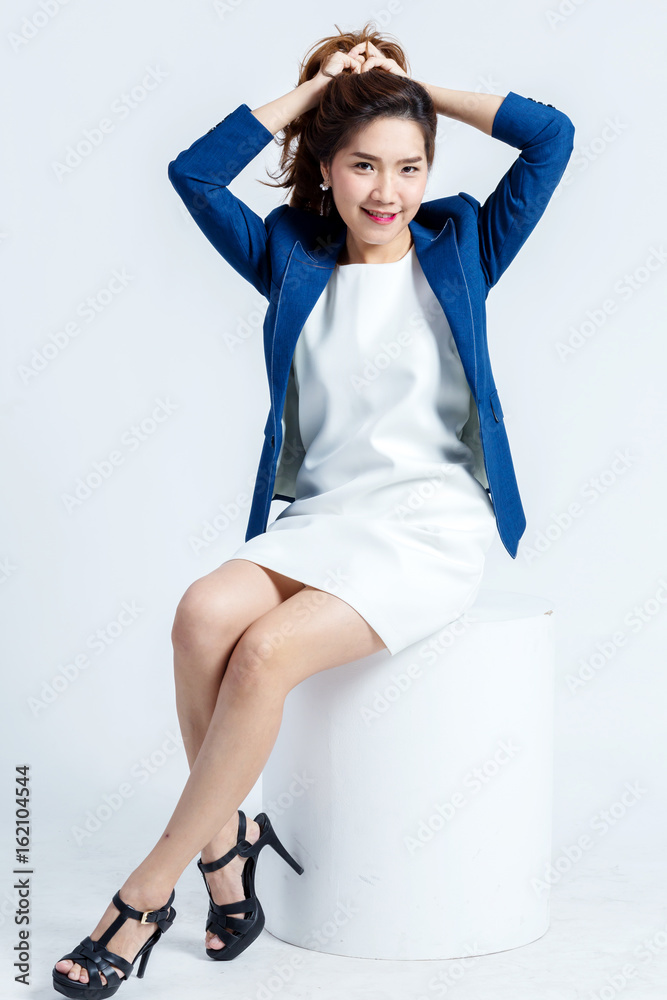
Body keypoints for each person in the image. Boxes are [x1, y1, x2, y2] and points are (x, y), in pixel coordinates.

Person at [52, 21, 574, 997]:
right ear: (323, 166)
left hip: (431, 527)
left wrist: (409, 86)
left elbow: (552, 137)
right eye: (362, 163)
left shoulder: (462, 247)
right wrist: (316, 92)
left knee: (262, 654)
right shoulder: (288, 256)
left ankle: (146, 892)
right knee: (201, 614)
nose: (387, 190)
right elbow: (194, 176)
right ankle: (230, 842)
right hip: (321, 519)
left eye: (409, 165)